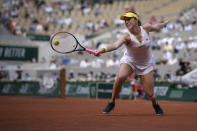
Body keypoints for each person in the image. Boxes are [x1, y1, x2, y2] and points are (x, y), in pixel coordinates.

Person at [95, 11, 168, 115]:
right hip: (130, 61)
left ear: (136, 19)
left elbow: (157, 26)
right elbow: (115, 45)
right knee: (120, 77)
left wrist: (164, 24)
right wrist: (103, 50)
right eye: (125, 20)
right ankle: (111, 102)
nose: (126, 22)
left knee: (149, 93)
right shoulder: (126, 36)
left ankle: (155, 104)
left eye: (129, 19)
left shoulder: (146, 28)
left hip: (146, 63)